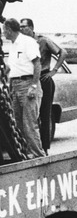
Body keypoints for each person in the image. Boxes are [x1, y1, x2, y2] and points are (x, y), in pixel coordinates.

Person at [20, 18, 67, 155]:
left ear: (31, 27)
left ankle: (44, 148)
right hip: (29, 81)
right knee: (30, 116)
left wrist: (54, 70)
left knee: (45, 115)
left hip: (44, 79)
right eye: (20, 27)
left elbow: (63, 52)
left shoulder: (43, 41)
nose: (21, 29)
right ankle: (30, 148)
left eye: (24, 27)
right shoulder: (22, 43)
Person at [3, 18, 45, 158]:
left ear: (9, 30)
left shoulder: (28, 42)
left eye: (4, 30)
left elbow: (37, 64)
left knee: (29, 125)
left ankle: (39, 156)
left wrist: (33, 86)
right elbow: (12, 69)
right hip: (15, 86)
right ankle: (27, 154)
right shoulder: (13, 45)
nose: (3, 33)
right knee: (18, 124)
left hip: (28, 85)